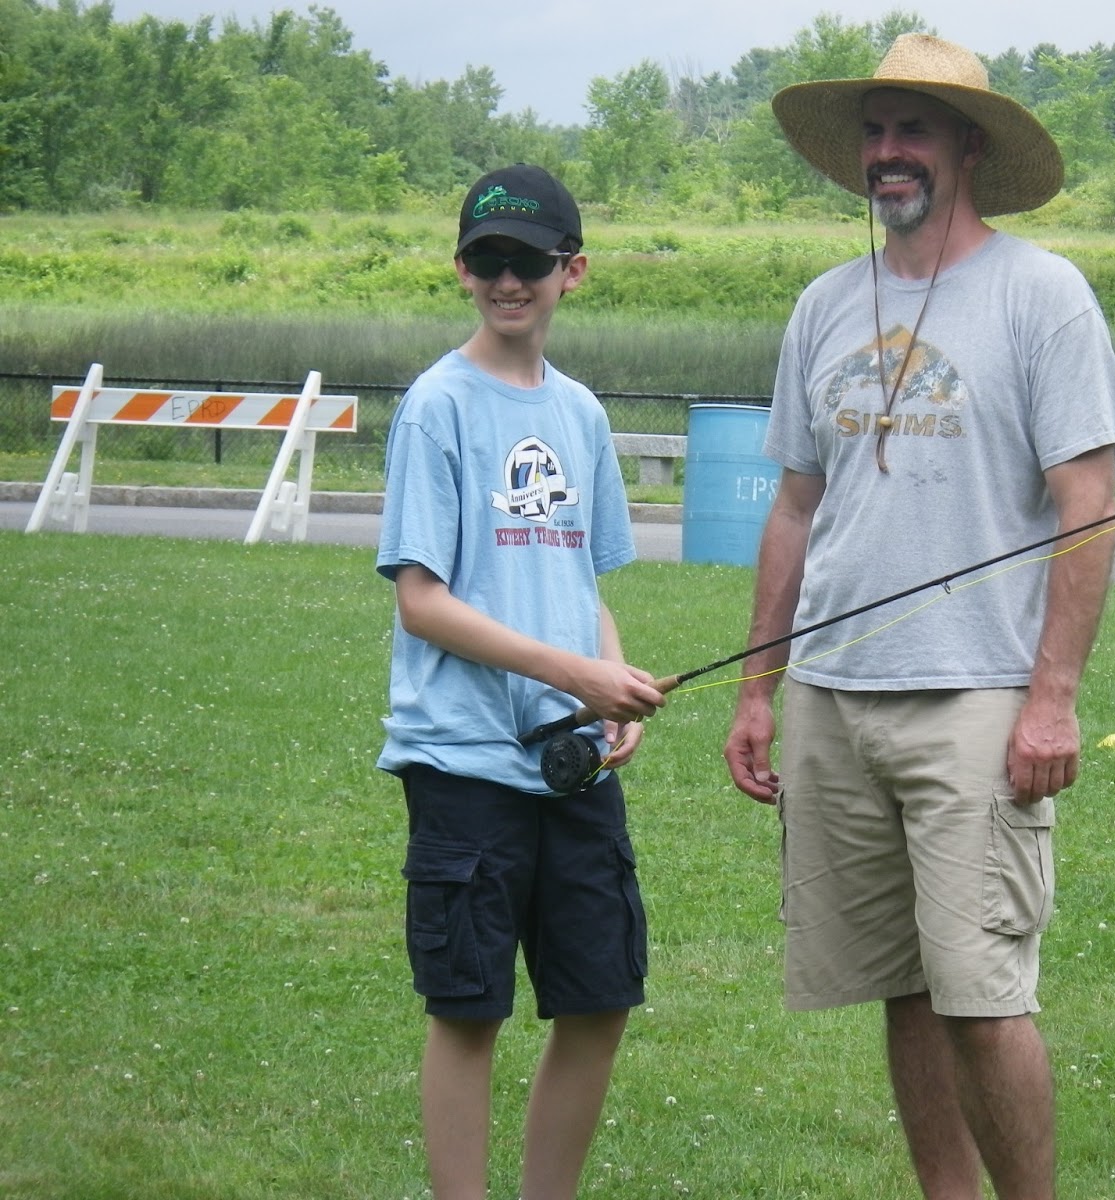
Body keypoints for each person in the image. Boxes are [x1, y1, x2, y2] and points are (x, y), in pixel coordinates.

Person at [722, 35, 1115, 1200]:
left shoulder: (1041, 296)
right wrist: (758, 688)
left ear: (967, 145)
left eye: (912, 127)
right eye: (873, 130)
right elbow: (794, 508)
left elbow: (1088, 505)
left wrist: (1051, 698)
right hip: (833, 700)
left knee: (982, 997)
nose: (888, 151)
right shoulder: (823, 305)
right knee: (903, 989)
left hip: (974, 699)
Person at [375, 163, 665, 1200]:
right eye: (487, 259)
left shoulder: (580, 414)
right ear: (462, 270)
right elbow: (423, 601)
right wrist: (572, 672)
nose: (508, 280)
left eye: (529, 262)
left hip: (570, 763)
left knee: (599, 998)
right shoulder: (436, 407)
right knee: (469, 1009)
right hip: (462, 760)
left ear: (570, 272)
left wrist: (608, 683)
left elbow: (582, 580)